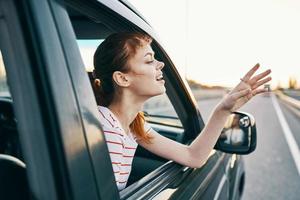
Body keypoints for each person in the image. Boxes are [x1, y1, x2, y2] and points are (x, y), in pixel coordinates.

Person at [92, 32, 272, 191]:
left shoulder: (134, 126)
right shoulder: (104, 128)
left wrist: (223, 109)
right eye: (149, 60)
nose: (160, 64)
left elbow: (193, 157)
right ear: (122, 78)